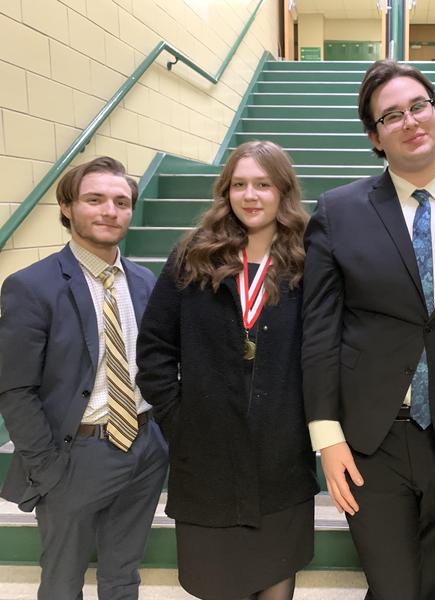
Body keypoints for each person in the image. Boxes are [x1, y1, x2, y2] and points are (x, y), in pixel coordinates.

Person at [302, 59, 435, 599]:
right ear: (376, 136)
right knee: (394, 586)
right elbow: (320, 331)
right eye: (391, 115)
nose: (410, 121)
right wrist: (327, 439)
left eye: (419, 106)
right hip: (371, 435)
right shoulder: (338, 210)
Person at [136, 141, 318, 600]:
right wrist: (181, 420)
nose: (250, 195)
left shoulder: (308, 261)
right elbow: (155, 349)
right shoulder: (193, 255)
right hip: (207, 461)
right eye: (240, 184)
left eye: (263, 184)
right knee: (217, 585)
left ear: (283, 191)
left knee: (276, 581)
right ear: (226, 191)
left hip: (281, 459)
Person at [0, 156, 168, 599]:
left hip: (145, 447)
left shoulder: (145, 281)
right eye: (94, 200)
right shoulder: (31, 286)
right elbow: (16, 389)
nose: (110, 211)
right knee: (61, 581)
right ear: (67, 206)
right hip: (75, 454)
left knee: (123, 574)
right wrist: (47, 467)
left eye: (121, 201)